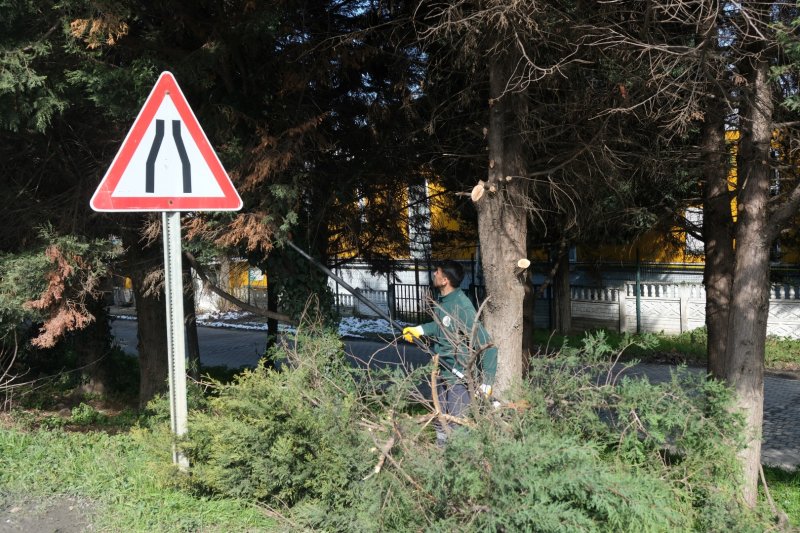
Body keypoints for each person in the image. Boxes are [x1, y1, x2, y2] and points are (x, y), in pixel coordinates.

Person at [402, 260, 497, 445]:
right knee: (441, 422)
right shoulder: (443, 301)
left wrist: (487, 383)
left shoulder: (461, 305)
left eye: (437, 272)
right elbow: (442, 326)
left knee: (458, 426)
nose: (434, 274)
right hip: (442, 371)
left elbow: (487, 345)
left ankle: (461, 460)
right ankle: (441, 456)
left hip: (458, 377)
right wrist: (419, 330)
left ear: (445, 280)